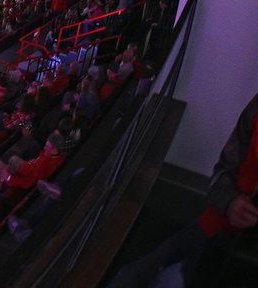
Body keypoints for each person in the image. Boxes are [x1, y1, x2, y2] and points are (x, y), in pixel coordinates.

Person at [109, 90, 258, 288]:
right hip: (213, 224)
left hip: (240, 259)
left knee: (168, 280)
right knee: (127, 277)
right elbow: (223, 170)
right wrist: (230, 202)